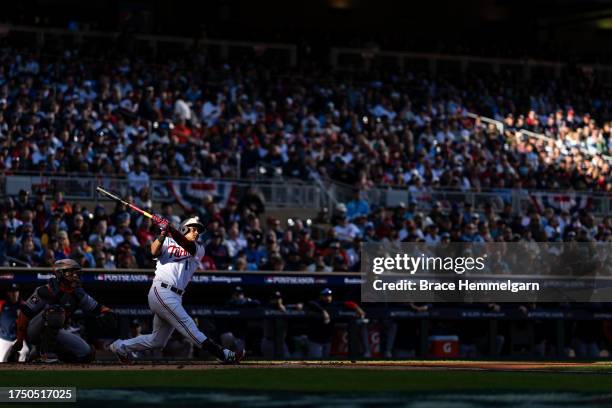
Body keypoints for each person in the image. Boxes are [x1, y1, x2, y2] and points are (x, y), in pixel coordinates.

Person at [109, 217, 243, 364]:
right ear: (184, 228)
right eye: (194, 228)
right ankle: (223, 354)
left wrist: (169, 228)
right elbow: (153, 251)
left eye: (199, 230)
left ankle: (120, 346)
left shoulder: (199, 249)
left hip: (176, 295)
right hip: (162, 291)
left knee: (157, 341)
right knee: (189, 326)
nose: (197, 232)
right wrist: (163, 232)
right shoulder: (167, 241)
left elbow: (186, 244)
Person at [8, 259, 114, 363]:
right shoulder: (45, 290)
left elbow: (98, 308)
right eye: (70, 273)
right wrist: (20, 339)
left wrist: (108, 312)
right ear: (59, 274)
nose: (75, 276)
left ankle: (39, 353)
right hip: (34, 331)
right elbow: (24, 313)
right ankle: (45, 353)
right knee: (56, 311)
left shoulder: (78, 294)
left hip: (56, 331)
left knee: (87, 353)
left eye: (76, 273)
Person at [0, 284, 29, 362]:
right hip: (4, 338)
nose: (14, 293)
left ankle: (21, 370)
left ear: (18, 292)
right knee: (1, 359)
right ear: (8, 293)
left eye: (16, 291)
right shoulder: (2, 304)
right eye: (12, 292)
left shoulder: (23, 305)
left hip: (18, 337)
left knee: (25, 351)